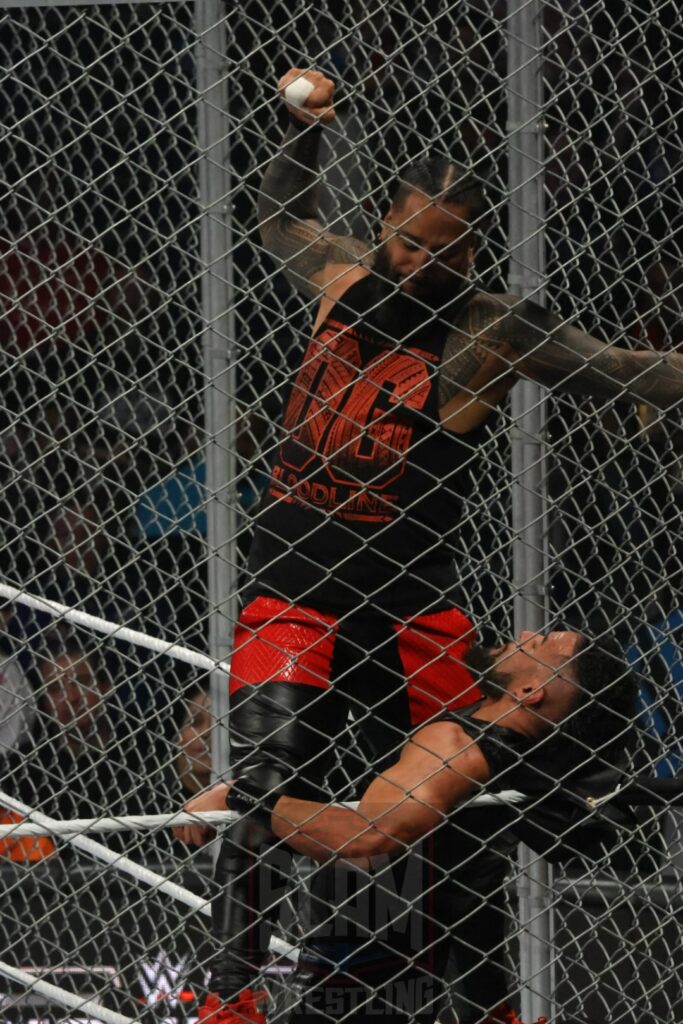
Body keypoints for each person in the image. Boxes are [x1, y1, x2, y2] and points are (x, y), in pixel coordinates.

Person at [204, 66, 683, 1023]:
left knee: (453, 823)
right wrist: (304, 132)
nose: (423, 261)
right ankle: (230, 1002)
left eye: (447, 248)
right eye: (408, 240)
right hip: (294, 587)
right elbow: (274, 216)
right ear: (384, 229)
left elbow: (627, 373)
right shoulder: (342, 278)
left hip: (412, 606)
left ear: (474, 250)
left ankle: (490, 1007)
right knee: (263, 783)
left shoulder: (491, 332)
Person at [178, 629, 638, 1024]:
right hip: (412, 964)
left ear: (530, 692)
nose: (520, 636)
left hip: (369, 965)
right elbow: (469, 883)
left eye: (538, 644)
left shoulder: (453, 745)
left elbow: (364, 838)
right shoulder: (520, 760)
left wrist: (243, 796)